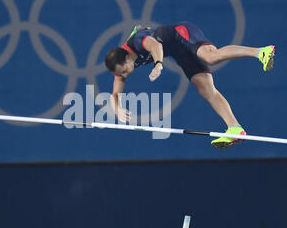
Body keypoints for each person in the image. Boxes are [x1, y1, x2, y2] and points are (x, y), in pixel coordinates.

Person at [104, 21, 275, 149]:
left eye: (124, 70)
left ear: (126, 57)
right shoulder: (121, 67)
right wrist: (116, 108)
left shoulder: (137, 42)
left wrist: (158, 64)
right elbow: (115, 94)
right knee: (206, 89)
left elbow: (155, 45)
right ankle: (235, 128)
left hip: (182, 34)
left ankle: (261, 52)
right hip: (179, 52)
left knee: (211, 56)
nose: (124, 75)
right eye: (121, 73)